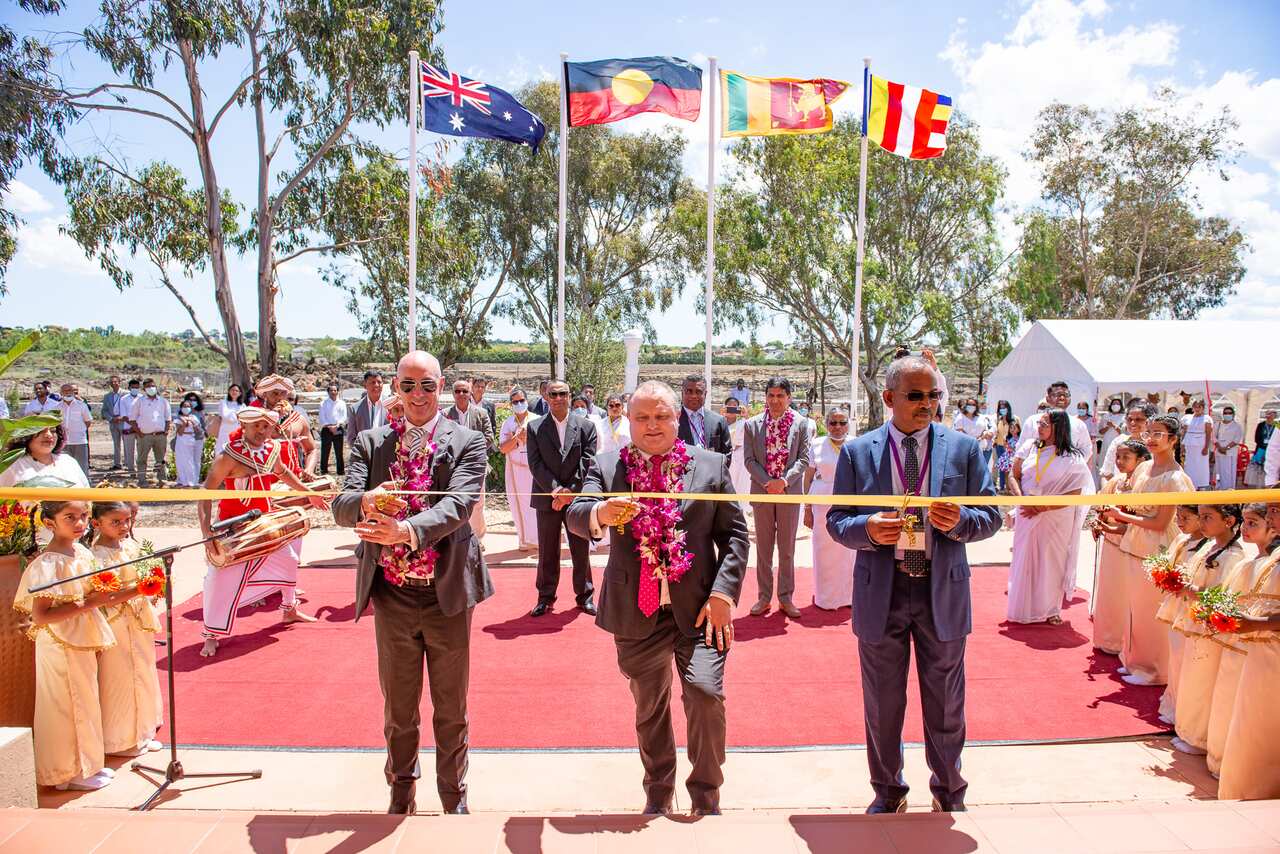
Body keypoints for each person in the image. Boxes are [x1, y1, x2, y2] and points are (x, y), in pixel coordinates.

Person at [826, 354, 1002, 814]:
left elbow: (991, 516)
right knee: (883, 704)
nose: (927, 404)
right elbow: (836, 521)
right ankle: (888, 792)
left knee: (946, 703)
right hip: (880, 592)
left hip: (940, 591)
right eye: (916, 396)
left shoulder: (964, 449)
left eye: (934, 396)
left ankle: (949, 792)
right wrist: (867, 529)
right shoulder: (857, 452)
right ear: (888, 399)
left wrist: (961, 520)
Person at [565, 380, 748, 816]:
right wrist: (600, 512)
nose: (652, 425)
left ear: (677, 417)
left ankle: (706, 793)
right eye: (642, 417)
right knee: (651, 707)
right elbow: (576, 512)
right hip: (636, 610)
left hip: (701, 610)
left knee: (704, 694)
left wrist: (724, 593)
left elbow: (736, 536)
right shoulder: (608, 467)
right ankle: (658, 789)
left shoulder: (709, 465)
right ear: (628, 420)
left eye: (662, 416)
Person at [332, 350, 493, 816]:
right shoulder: (371, 442)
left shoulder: (468, 440)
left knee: (450, 706)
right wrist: (366, 501)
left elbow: (459, 504)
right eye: (408, 386)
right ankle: (401, 792)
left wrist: (405, 530)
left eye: (427, 386)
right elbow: (340, 504)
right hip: (393, 594)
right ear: (394, 389)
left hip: (448, 594)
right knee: (399, 708)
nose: (418, 395)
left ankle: (453, 795)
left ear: (441, 387)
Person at [14, 500, 144, 790]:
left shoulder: (82, 552)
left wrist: (137, 590)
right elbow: (42, 615)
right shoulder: (50, 563)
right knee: (66, 704)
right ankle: (65, 772)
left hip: (79, 638)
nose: (80, 522)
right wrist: (88, 604)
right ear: (49, 523)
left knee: (84, 700)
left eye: (84, 516)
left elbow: (102, 594)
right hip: (60, 643)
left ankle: (86, 764)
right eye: (70, 517)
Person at [195, 407, 322, 658]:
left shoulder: (271, 450)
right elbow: (205, 494)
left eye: (266, 427)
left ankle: (289, 609)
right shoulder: (228, 457)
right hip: (235, 527)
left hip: (266, 523)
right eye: (257, 427)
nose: (262, 431)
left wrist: (308, 493)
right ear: (244, 427)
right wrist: (207, 533)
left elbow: (283, 473)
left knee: (290, 560)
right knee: (219, 580)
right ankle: (211, 634)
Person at [1102, 414, 1196, 686]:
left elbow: (1160, 522)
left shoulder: (1175, 478)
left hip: (1157, 548)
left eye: (1159, 434)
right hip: (1134, 543)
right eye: (1149, 433)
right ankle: (1135, 660)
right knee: (1135, 608)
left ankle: (1155, 670)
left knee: (1152, 611)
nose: (1152, 439)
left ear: (1173, 440)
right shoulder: (1144, 470)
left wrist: (1122, 516)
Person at [1204, 504, 1278, 775]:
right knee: (1230, 702)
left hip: (1261, 647)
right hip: (1241, 644)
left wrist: (1251, 623)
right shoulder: (1255, 562)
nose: (1246, 529)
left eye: (1254, 523)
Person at [1169, 503, 1245, 756]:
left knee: (1203, 680)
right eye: (1200, 517)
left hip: (1211, 628)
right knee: (1191, 677)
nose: (1202, 523)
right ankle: (1188, 731)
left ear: (1229, 521)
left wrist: (1196, 592)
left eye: (1208, 518)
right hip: (1196, 621)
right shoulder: (1210, 546)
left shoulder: (1234, 555)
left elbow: (1228, 592)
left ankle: (1199, 738)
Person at [90, 501, 163, 758]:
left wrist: (156, 584)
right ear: (96, 523)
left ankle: (142, 731)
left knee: (142, 670)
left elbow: (147, 572)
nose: (124, 526)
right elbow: (104, 595)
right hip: (115, 621)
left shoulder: (132, 545)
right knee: (118, 678)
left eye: (127, 520)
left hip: (138, 617)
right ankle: (119, 740)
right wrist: (141, 589)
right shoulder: (96, 556)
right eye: (116, 522)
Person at [1007, 410, 1093, 625]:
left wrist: (1043, 507)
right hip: (1026, 512)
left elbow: (1074, 495)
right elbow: (1013, 475)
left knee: (1051, 561)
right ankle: (1022, 609)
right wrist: (1022, 500)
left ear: (1058, 427)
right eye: (1039, 422)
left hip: (1056, 517)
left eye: (1045, 423)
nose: (1039, 427)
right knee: (1024, 558)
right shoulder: (1029, 447)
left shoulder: (1073, 458)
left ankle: (1050, 609)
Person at [526, 380, 598, 617]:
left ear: (569, 396)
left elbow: (587, 463)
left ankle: (585, 596)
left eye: (563, 394)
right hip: (547, 498)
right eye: (553, 394)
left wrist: (570, 493)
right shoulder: (535, 428)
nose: (558, 398)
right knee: (548, 550)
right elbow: (535, 464)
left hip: (576, 499)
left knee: (580, 548)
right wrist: (556, 491)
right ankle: (545, 598)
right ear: (546, 396)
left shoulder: (586, 427)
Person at [742, 377, 810, 618]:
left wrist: (783, 481)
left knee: (787, 548)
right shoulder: (752, 425)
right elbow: (749, 460)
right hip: (762, 492)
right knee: (763, 547)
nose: (775, 400)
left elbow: (803, 459)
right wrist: (767, 482)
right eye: (771, 395)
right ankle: (763, 597)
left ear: (789, 398)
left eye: (780, 395)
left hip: (788, 493)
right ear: (765, 397)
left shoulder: (802, 424)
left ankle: (786, 597)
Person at [1090, 439, 1151, 655]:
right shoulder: (1115, 482)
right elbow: (1100, 506)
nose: (1120, 461)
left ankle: (1126, 643)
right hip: (1111, 543)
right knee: (1110, 592)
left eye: (1126, 457)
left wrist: (1117, 527)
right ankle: (1108, 638)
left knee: (1126, 594)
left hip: (1130, 544)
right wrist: (1097, 522)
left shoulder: (1144, 484)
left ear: (1141, 460)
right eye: (1118, 456)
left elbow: (1142, 518)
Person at [1152, 505, 1207, 725]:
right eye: (1178, 517)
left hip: (1192, 611)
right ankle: (1173, 699)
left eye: (1186, 518)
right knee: (1175, 656)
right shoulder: (1181, 540)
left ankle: (1182, 709)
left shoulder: (1208, 547)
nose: (1179, 522)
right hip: (1176, 606)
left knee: (1183, 658)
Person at [804, 407, 854, 610]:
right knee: (823, 551)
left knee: (848, 551)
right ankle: (826, 598)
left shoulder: (857, 444)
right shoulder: (815, 445)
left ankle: (848, 597)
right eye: (833, 422)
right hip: (821, 503)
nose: (838, 427)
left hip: (850, 504)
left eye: (842, 423)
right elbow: (807, 478)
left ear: (848, 424)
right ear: (826, 424)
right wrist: (806, 507)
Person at [446, 379, 498, 541]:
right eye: (458, 391)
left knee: (477, 503)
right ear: (453, 394)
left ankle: (477, 539)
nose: (461, 394)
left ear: (470, 393)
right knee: (453, 502)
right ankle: (456, 537)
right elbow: (441, 439)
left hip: (476, 464)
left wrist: (470, 449)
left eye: (465, 391)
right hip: (452, 466)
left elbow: (489, 437)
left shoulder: (481, 413)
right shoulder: (445, 414)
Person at [0, 425, 91, 500]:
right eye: (41, 430)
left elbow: (87, 495)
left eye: (53, 430)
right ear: (26, 435)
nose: (49, 435)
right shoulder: (13, 465)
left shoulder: (68, 461)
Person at [498, 386, 538, 551]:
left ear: (527, 401)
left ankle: (538, 539)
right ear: (511, 404)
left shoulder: (538, 419)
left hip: (535, 469)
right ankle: (524, 540)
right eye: (515, 402)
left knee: (536, 504)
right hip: (515, 469)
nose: (519, 404)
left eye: (522, 401)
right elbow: (503, 448)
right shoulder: (508, 423)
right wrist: (517, 437)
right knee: (518, 503)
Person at [254, 374, 317, 478]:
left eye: (283, 393)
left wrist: (309, 469)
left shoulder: (298, 419)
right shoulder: (255, 418)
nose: (279, 397)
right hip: (262, 478)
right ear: (265, 395)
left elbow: (311, 450)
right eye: (275, 393)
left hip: (293, 478)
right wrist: (274, 417)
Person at [1100, 401, 1156, 486]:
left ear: (1149, 421)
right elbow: (1106, 474)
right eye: (1129, 419)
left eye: (1138, 419)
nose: (1133, 423)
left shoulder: (1155, 444)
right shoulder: (1118, 442)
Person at [128, 378, 171, 487]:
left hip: (160, 435)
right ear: (144, 389)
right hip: (144, 435)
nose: (151, 388)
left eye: (153, 386)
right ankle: (142, 480)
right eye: (148, 387)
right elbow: (132, 419)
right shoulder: (139, 401)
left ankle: (162, 480)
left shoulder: (163, 401)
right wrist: (139, 432)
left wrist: (166, 430)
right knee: (142, 459)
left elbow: (168, 418)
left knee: (160, 459)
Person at [677, 375, 732, 456]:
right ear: (682, 393)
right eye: (689, 391)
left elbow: (727, 453)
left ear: (705, 394)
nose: (694, 396)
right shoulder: (673, 420)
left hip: (711, 467)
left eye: (698, 392)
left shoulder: (718, 421)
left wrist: (718, 468)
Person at [56, 383, 93, 477]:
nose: (67, 393)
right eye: (65, 391)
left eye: (69, 390)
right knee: (65, 469)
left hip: (79, 441)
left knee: (82, 468)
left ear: (73, 392)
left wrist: (79, 430)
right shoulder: (57, 407)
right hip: (63, 443)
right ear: (61, 393)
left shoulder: (81, 405)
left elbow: (88, 421)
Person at [722, 397, 750, 511]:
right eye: (729, 406)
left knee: (738, 487)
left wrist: (745, 415)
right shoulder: (719, 422)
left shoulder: (742, 424)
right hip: (723, 458)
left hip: (738, 459)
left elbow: (751, 428)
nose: (732, 409)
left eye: (735, 407)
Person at [1181, 399, 1213, 490]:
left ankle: (1201, 485)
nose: (1197, 408)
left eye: (1199, 406)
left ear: (1203, 408)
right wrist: (1182, 445)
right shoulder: (1187, 417)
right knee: (1189, 464)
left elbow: (1208, 433)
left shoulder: (1207, 418)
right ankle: (1190, 484)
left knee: (1201, 465)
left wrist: (1206, 447)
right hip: (1189, 444)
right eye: (1195, 406)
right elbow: (1184, 432)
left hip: (1200, 445)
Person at [347, 370, 388, 441]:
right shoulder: (355, 409)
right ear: (365, 385)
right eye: (372, 382)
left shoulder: (392, 404)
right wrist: (361, 451)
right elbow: (351, 438)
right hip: (364, 451)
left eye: (379, 382)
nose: (376, 385)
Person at [1212, 405, 1244, 490]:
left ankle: (1229, 489)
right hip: (1219, 452)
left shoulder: (1237, 426)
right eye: (1225, 413)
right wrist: (1219, 447)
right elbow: (1214, 437)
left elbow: (1237, 439)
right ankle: (1218, 487)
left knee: (1229, 472)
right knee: (1219, 471)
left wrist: (1226, 448)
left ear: (1233, 414)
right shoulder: (1217, 424)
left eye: (1229, 413)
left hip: (1230, 452)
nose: (1227, 414)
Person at [173, 397, 204, 486]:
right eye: (184, 406)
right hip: (182, 439)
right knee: (181, 460)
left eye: (188, 406)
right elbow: (180, 432)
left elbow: (198, 430)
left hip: (191, 438)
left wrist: (192, 423)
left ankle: (191, 480)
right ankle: (182, 480)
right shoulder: (178, 418)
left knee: (190, 460)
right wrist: (184, 423)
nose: (186, 408)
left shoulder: (194, 417)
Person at [318, 382, 347, 476]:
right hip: (327, 429)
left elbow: (344, 417)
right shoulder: (323, 403)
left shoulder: (342, 403)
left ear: (338, 391)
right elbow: (322, 417)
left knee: (339, 452)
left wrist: (337, 426)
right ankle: (324, 470)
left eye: (335, 390)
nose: (333, 392)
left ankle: (340, 471)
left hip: (338, 428)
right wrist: (329, 426)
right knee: (325, 451)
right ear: (328, 392)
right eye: (331, 390)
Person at [209, 383, 245, 455]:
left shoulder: (243, 405)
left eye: (236, 391)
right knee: (221, 450)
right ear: (229, 391)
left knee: (235, 451)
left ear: (240, 393)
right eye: (232, 390)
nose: (234, 392)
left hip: (236, 430)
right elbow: (224, 416)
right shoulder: (223, 403)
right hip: (224, 430)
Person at [1245, 410, 1276, 487]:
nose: (1270, 417)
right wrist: (1264, 446)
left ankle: (1271, 485)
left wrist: (1271, 446)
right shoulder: (1261, 425)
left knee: (1271, 469)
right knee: (1259, 468)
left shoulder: (1277, 425)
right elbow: (1257, 438)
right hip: (1261, 449)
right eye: (1268, 415)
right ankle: (1259, 486)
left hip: (1273, 451)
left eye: (1272, 415)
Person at [100, 376, 125, 470]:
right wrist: (111, 418)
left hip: (124, 422)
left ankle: (129, 463)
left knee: (127, 443)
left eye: (115, 381)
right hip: (113, 423)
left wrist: (122, 417)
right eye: (112, 382)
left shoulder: (126, 394)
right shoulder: (107, 396)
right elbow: (104, 411)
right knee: (116, 444)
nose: (114, 383)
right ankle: (117, 463)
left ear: (119, 382)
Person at [992, 401, 1016, 493]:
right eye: (1000, 408)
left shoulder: (1014, 419)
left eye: (1004, 407)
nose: (1002, 409)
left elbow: (1017, 432)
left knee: (1009, 468)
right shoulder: (999, 420)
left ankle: (1009, 487)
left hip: (1009, 447)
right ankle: (1001, 487)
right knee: (1000, 467)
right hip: (999, 446)